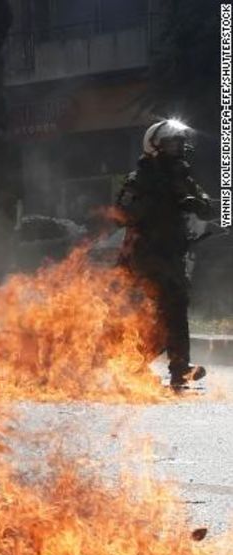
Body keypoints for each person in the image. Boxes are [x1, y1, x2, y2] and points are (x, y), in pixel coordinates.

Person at [116, 119, 217, 389]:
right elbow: (122, 213)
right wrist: (156, 203)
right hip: (147, 255)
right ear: (156, 146)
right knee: (172, 308)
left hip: (172, 255)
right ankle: (165, 367)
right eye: (173, 142)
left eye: (181, 142)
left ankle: (156, 366)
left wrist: (197, 203)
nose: (179, 147)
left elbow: (208, 207)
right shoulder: (141, 177)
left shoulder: (182, 176)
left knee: (172, 311)